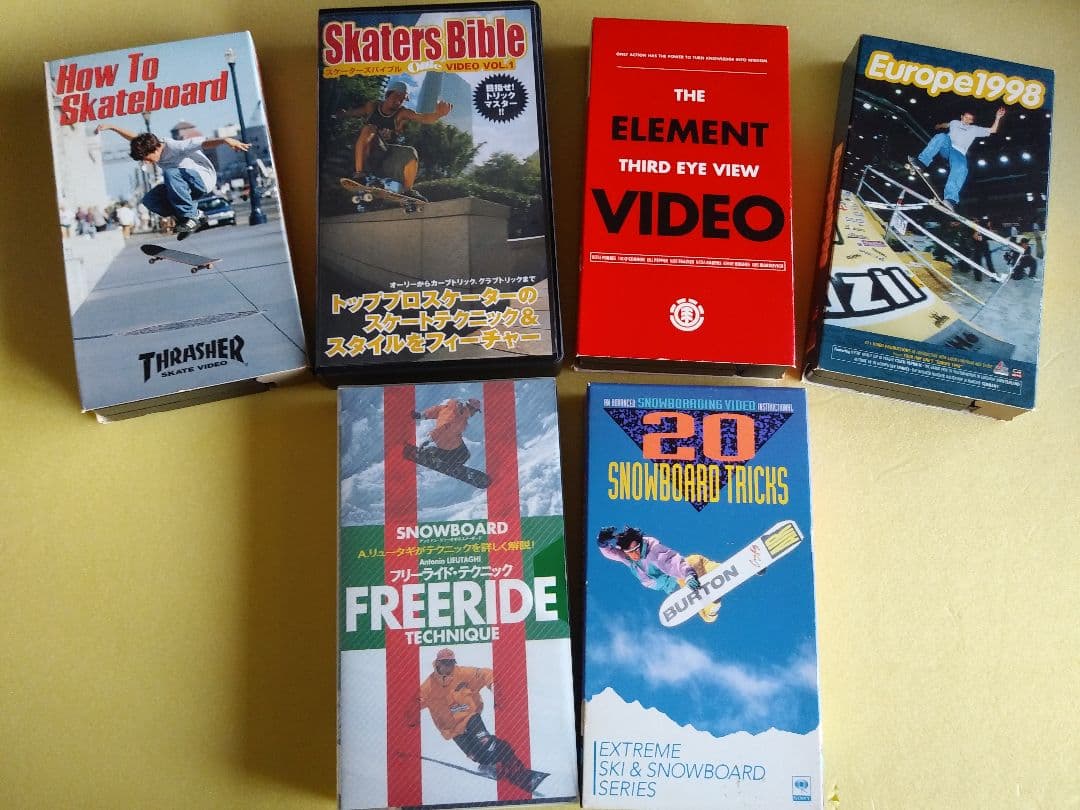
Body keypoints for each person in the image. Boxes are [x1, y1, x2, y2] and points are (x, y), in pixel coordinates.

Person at [405, 648, 546, 793]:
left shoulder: (463, 673)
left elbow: (485, 674)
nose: (449, 666)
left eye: (452, 662)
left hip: (470, 717)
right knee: (477, 755)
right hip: (452, 729)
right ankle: (488, 765)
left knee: (488, 744)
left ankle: (521, 773)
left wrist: (494, 686)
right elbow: (414, 703)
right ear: (438, 664)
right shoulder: (428, 687)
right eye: (446, 663)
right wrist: (411, 716)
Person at [96, 124, 249, 240]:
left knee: (171, 173)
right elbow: (134, 138)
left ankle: (191, 216)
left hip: (202, 179)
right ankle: (192, 218)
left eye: (147, 159)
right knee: (150, 200)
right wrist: (113, 127)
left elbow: (202, 142)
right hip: (182, 185)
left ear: (155, 150)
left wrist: (225, 140)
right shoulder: (152, 145)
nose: (147, 162)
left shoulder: (176, 147)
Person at [341, 80, 453, 202]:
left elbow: (423, 118)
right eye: (396, 96)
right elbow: (353, 113)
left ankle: (408, 191)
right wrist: (341, 114)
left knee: (411, 153)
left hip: (386, 159)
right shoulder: (372, 107)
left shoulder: (402, 113)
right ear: (388, 94)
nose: (399, 101)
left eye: (403, 99)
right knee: (369, 129)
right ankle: (359, 174)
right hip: (365, 154)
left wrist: (438, 114)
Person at [596, 526, 721, 623]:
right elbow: (612, 553)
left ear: (640, 543)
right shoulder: (627, 557)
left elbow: (672, 562)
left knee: (695, 561)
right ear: (625, 551)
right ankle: (710, 610)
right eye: (630, 552)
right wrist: (601, 542)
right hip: (672, 584)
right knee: (694, 563)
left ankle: (717, 571)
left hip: (676, 578)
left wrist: (688, 574)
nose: (634, 555)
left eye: (636, 549)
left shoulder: (653, 550)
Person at [909, 107, 1006, 211]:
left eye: (970, 119)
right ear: (961, 117)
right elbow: (947, 124)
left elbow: (993, 130)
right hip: (947, 146)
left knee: (962, 168)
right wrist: (939, 125)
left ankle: (950, 199)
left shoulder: (974, 129)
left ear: (972, 121)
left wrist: (997, 118)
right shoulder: (954, 122)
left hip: (959, 153)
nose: (967, 120)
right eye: (966, 117)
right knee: (941, 136)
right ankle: (921, 163)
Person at [413, 398, 481, 468]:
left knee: (463, 454)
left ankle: (437, 455)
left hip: (451, 440)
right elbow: (443, 428)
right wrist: (429, 438)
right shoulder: (457, 418)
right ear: (471, 408)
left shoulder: (452, 408)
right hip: (448, 442)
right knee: (463, 456)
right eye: (475, 411)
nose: (474, 414)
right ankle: (435, 455)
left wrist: (422, 415)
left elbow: (437, 410)